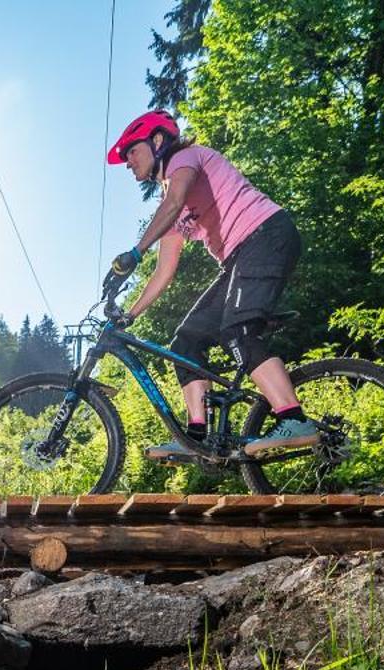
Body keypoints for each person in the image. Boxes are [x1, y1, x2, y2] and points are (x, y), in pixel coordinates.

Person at [102, 111, 315, 460]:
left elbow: (173, 204)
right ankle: (197, 437)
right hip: (239, 259)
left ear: (157, 142)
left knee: (238, 330)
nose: (128, 162)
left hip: (265, 235)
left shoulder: (185, 158)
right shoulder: (169, 202)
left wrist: (135, 252)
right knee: (186, 340)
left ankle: (293, 417)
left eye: (131, 152)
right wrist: (130, 314)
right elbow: (164, 270)